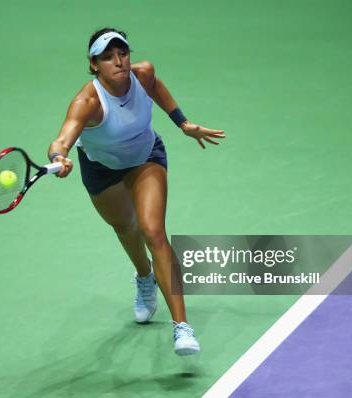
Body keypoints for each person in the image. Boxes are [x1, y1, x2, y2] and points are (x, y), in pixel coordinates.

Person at [47, 27, 225, 356]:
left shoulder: (143, 74)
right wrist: (60, 156)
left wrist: (183, 123)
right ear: (94, 65)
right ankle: (145, 277)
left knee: (153, 231)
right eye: (108, 56)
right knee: (124, 226)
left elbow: (157, 88)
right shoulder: (87, 101)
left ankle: (182, 328)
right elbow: (63, 137)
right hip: (101, 169)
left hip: (146, 158)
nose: (119, 61)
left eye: (122, 53)